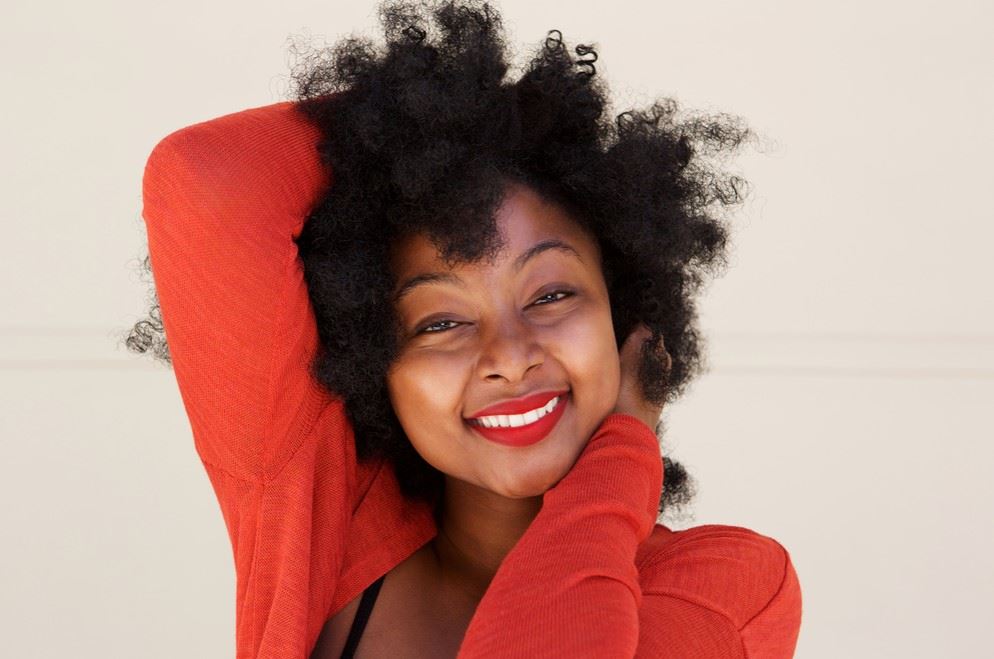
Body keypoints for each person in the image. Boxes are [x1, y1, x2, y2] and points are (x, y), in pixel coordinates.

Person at [127, 1, 802, 656]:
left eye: (552, 293)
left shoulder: (728, 586)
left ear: (624, 314)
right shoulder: (327, 540)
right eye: (441, 320)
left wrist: (623, 453)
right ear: (372, 362)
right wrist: (434, 118)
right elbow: (204, 178)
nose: (509, 356)